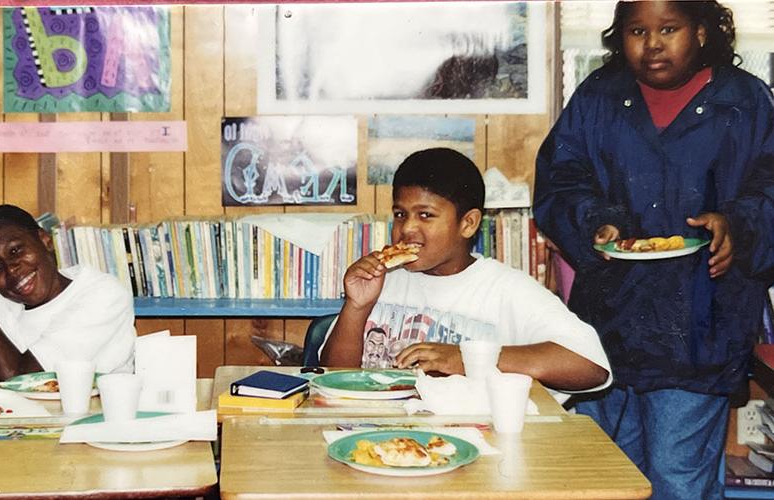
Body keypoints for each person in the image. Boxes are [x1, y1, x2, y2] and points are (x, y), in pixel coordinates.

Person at [533, 1, 774, 498]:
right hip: (609, 322)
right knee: (608, 477)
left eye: (669, 29)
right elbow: (560, 180)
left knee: (677, 477)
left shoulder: (746, 101)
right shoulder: (598, 96)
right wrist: (595, 222)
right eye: (637, 30)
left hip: (701, 326)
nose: (653, 44)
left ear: (703, 31)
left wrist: (738, 225)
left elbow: (769, 184)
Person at [321, 147, 611, 394]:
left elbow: (592, 366)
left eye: (426, 215)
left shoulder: (506, 289)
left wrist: (471, 358)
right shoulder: (384, 282)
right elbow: (333, 377)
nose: (407, 228)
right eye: (400, 214)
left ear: (469, 223)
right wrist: (357, 307)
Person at [0, 197, 135, 384]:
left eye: (15, 251)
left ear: (45, 240)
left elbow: (20, 380)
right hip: (14, 422)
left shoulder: (103, 294)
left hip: (87, 422)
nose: (11, 269)